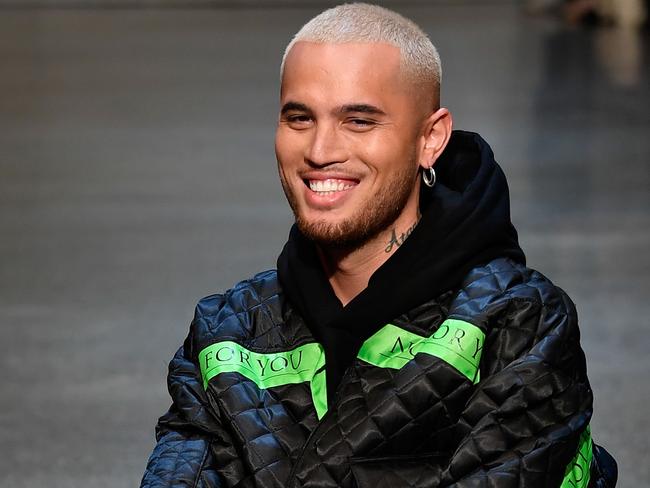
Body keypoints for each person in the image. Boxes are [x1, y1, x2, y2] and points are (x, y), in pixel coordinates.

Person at [140, 3, 617, 487]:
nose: (321, 151)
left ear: (430, 139)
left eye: (359, 121)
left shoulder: (520, 325)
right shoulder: (226, 333)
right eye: (299, 118)